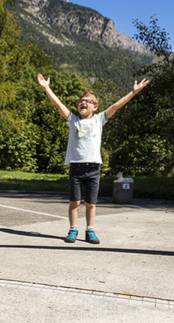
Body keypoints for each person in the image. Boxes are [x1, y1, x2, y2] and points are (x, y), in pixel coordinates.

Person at [36, 73, 149, 245]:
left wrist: (133, 93)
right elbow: (57, 104)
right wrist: (47, 88)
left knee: (91, 203)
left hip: (93, 168)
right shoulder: (72, 120)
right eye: (82, 100)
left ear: (95, 107)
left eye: (88, 101)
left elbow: (116, 106)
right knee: (74, 201)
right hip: (76, 167)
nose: (84, 102)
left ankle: (90, 230)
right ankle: (73, 229)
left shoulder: (99, 120)